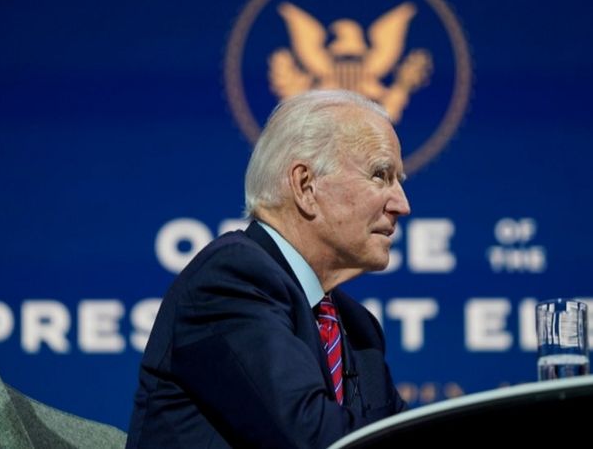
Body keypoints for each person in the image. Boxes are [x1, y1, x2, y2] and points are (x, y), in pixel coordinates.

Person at [126, 89, 411, 448]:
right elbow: (310, 438)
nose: (402, 204)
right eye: (380, 175)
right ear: (305, 186)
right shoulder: (231, 281)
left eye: (399, 181)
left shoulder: (358, 327)